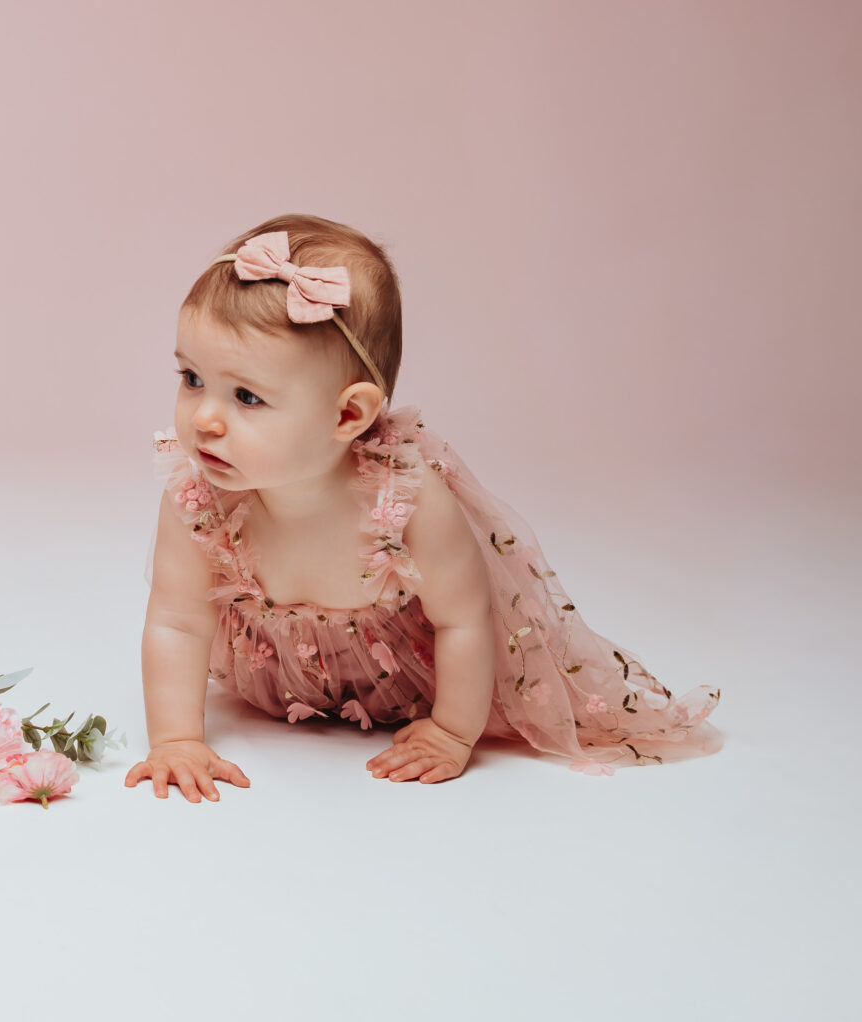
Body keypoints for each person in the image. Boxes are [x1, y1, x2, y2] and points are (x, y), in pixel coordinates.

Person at [124, 214, 722, 801]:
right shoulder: (200, 500)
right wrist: (176, 740)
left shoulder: (403, 499)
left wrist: (453, 732)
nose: (204, 419)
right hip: (277, 687)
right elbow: (178, 620)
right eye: (192, 378)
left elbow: (464, 618)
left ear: (348, 415)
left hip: (410, 689)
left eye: (246, 396)